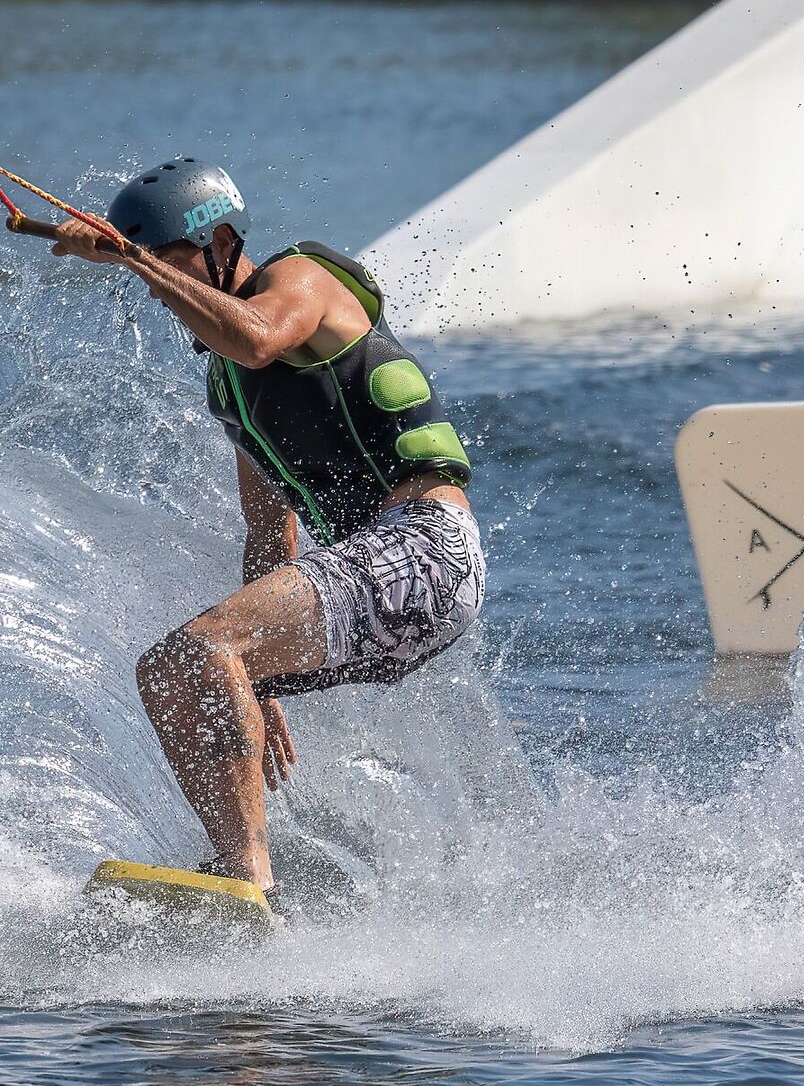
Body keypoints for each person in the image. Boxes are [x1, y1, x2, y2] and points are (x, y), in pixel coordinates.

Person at [49, 158, 485, 904]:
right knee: (173, 671)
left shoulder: (303, 280)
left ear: (220, 241)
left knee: (202, 646)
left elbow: (258, 337)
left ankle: (248, 881)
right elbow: (268, 534)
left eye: (168, 259)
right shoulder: (232, 388)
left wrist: (129, 256)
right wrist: (255, 675)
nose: (159, 287)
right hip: (384, 574)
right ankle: (242, 887)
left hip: (427, 546)